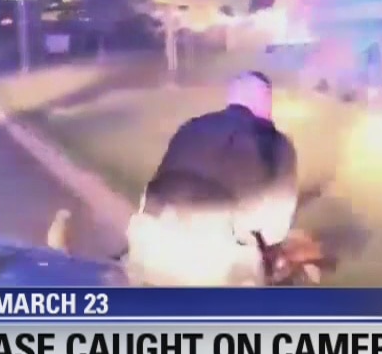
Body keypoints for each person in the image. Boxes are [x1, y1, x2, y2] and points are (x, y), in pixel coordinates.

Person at [124, 71, 299, 286]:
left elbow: (160, 181)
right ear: (265, 100)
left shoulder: (191, 127)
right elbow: (276, 229)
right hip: (213, 263)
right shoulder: (276, 143)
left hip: (148, 244)